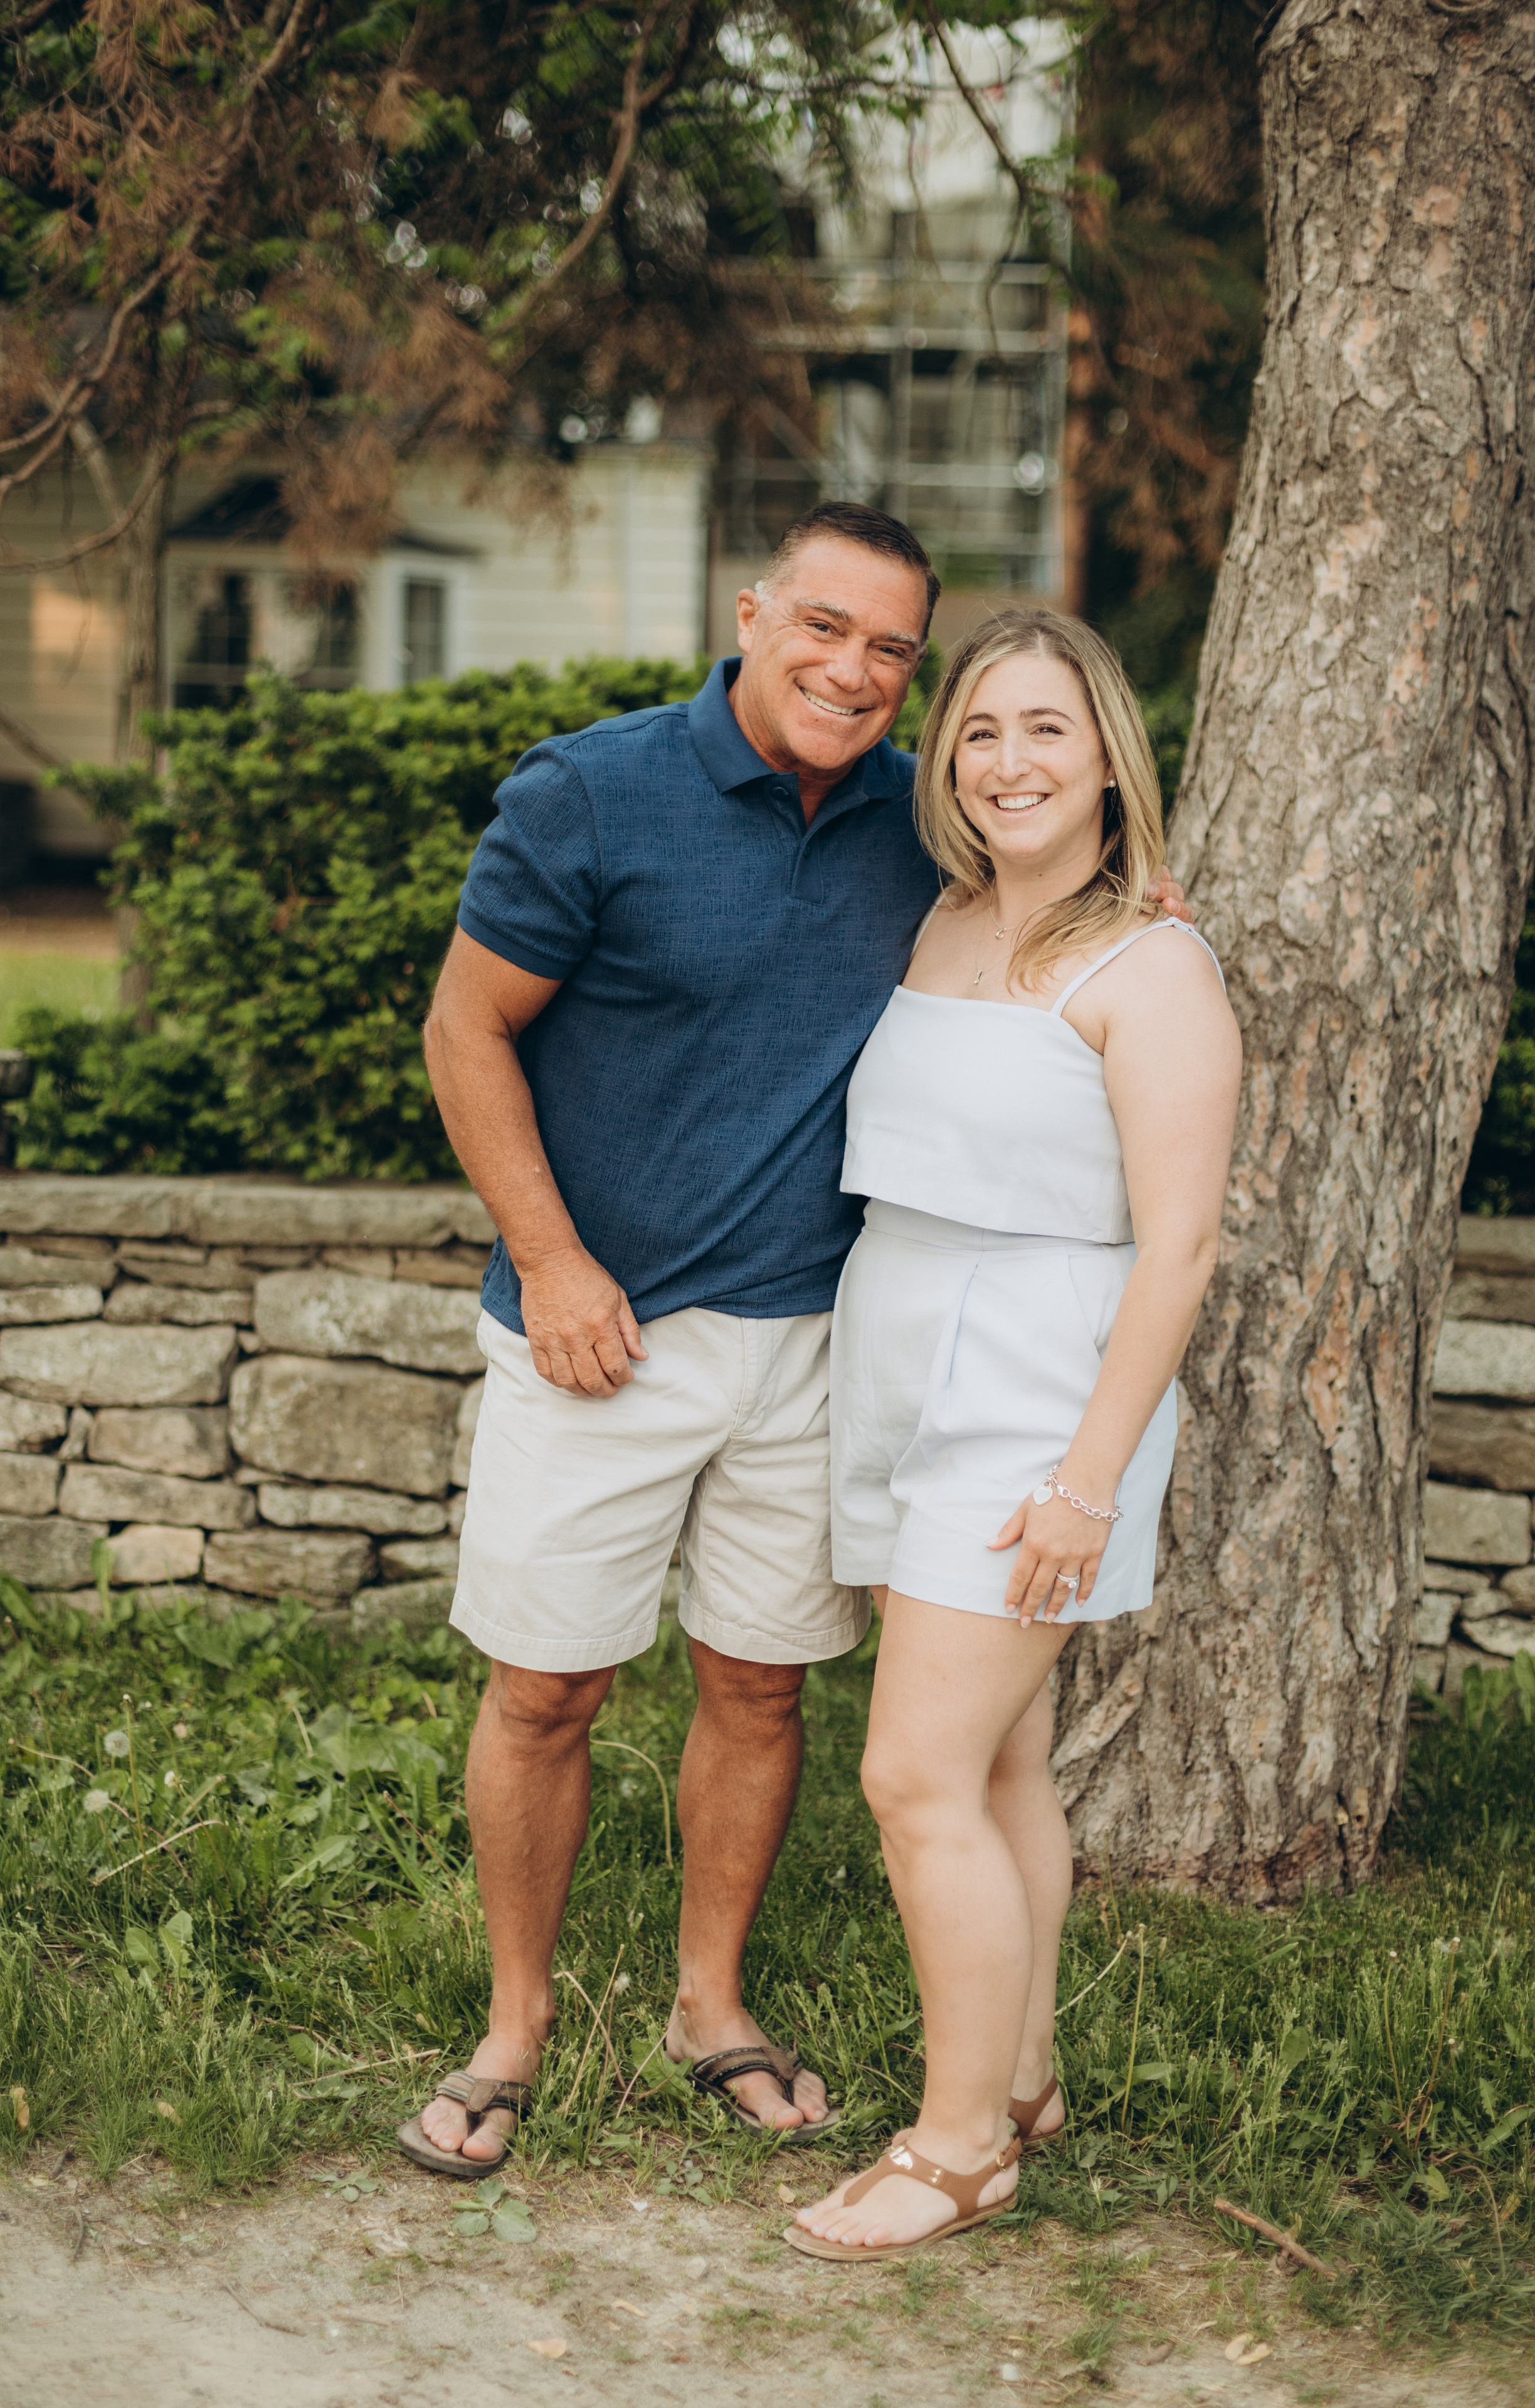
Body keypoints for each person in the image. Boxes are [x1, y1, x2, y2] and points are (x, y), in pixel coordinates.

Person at [404, 510, 1189, 2180]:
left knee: (760, 1686)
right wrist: (551, 1261)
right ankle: (514, 2026)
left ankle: (711, 2005)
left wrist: (1141, 895)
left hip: (818, 1343)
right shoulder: (592, 792)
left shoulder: (925, 829)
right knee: (545, 1690)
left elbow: (1068, 930)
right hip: (597, 1330)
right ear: (753, 613)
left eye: (892, 649)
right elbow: (465, 1026)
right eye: (822, 626)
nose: (852, 669)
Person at [786, 608, 1240, 2263]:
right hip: (904, 1349)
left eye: (1046, 727)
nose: (1008, 761)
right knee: (994, 1765)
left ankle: (961, 2147)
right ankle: (1025, 2076)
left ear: (1109, 752)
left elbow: (1180, 1249)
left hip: (1040, 1397)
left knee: (912, 1776)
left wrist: (1084, 1481)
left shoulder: (1157, 967)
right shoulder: (944, 919)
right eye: (979, 730)